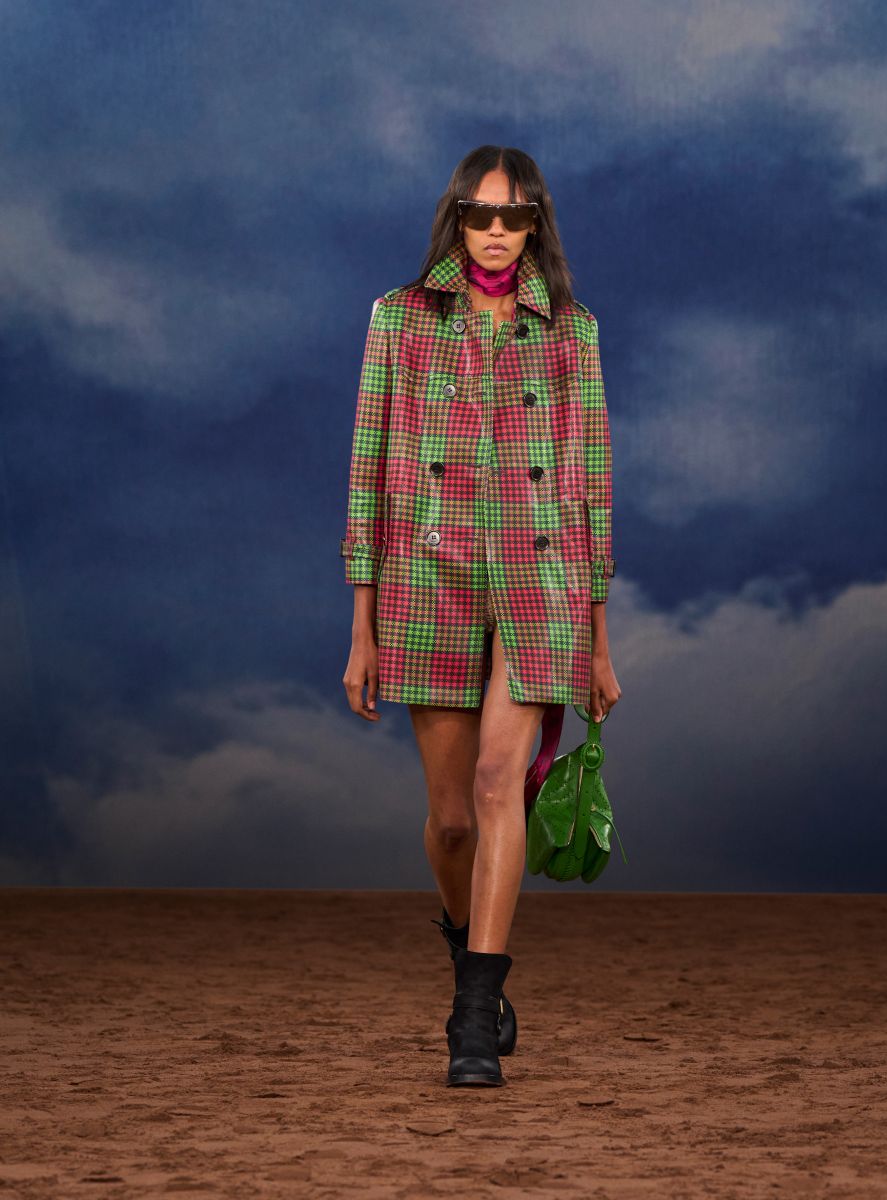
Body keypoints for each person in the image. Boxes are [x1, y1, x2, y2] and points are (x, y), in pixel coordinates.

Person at [341, 145, 621, 1086]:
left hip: (541, 584)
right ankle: (467, 953)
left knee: (505, 784)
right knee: (454, 819)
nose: (496, 232)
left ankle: (472, 1020)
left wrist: (599, 640)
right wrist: (362, 627)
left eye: (514, 216)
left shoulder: (572, 330)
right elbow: (370, 470)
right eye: (480, 214)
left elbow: (590, 486)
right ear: (456, 219)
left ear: (537, 223)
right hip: (431, 581)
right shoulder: (400, 319)